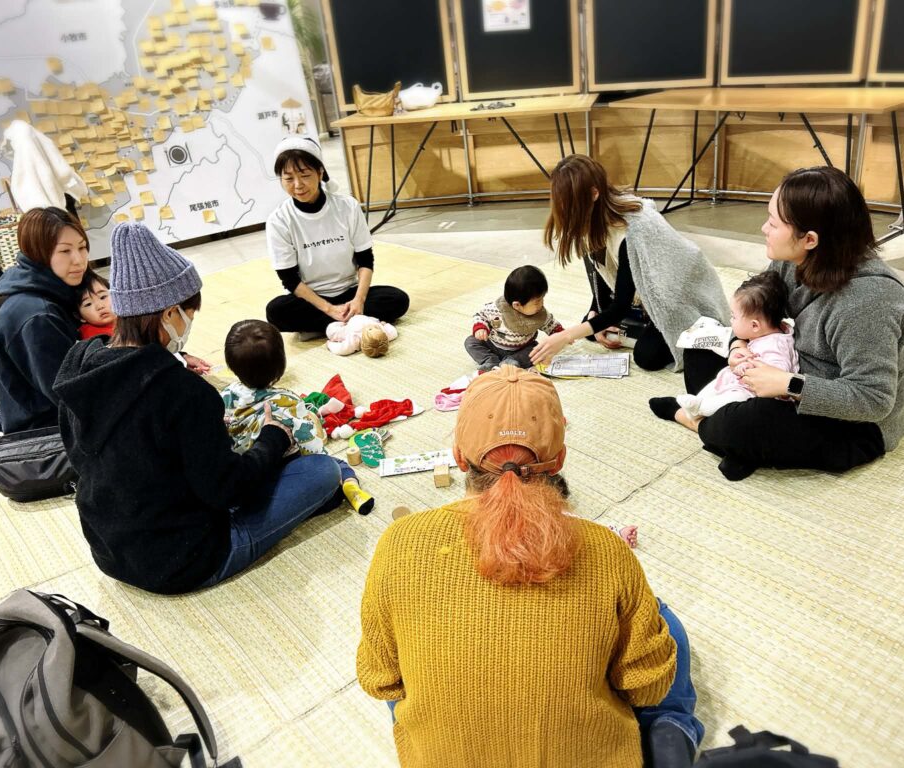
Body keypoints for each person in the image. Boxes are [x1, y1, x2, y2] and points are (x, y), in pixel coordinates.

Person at [357, 366, 704, 768]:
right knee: (660, 616)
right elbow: (646, 687)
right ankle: (670, 729)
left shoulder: (399, 541)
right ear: (559, 460)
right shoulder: (608, 550)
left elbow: (380, 680)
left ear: (458, 456)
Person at [53, 223, 348, 594]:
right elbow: (228, 492)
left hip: (111, 551)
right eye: (189, 313)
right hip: (188, 559)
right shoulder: (183, 391)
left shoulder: (81, 366)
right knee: (323, 471)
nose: (190, 322)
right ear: (169, 313)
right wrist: (273, 438)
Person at [675, 167, 904, 481]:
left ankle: (706, 426)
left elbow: (874, 400)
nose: (764, 228)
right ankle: (734, 440)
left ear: (810, 239)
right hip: (790, 369)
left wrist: (788, 384)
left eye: (773, 223)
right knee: (699, 347)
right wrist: (738, 346)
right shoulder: (791, 260)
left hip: (855, 424)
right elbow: (756, 312)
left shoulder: (870, 301)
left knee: (746, 424)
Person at [531, 154, 728, 371]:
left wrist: (565, 336)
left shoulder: (633, 231)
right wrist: (596, 314)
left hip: (681, 301)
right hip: (639, 298)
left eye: (569, 203)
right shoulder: (591, 224)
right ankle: (633, 328)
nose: (563, 210)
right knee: (591, 327)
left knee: (647, 356)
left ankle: (646, 329)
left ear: (594, 194)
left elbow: (621, 305)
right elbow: (602, 281)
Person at [221, 319, 374, 515]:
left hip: (247, 472)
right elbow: (312, 448)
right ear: (280, 365)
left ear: (231, 365)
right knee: (336, 466)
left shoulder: (225, 396)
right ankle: (349, 486)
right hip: (281, 469)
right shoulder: (288, 403)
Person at [263, 136, 409, 340]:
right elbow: (289, 279)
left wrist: (359, 300)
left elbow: (365, 260)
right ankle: (353, 321)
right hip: (311, 299)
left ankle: (331, 324)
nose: (297, 185)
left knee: (397, 299)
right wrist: (329, 309)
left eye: (305, 175)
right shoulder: (278, 220)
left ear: (320, 172)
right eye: (288, 179)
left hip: (350, 292)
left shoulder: (348, 207)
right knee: (276, 311)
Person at [656, 271, 798, 430]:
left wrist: (748, 367)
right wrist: (737, 347)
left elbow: (778, 372)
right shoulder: (768, 330)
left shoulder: (776, 345)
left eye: (733, 317)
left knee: (734, 398)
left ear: (754, 325)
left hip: (753, 392)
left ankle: (699, 413)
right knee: (715, 382)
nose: (731, 320)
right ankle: (696, 406)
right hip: (737, 378)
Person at [0, 207, 87, 433]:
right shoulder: (39, 317)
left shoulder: (52, 295)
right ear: (38, 253)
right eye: (65, 251)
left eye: (82, 248)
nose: (78, 260)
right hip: (48, 437)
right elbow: (73, 399)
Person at [466, 265, 564, 371]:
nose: (542, 304)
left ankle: (510, 362)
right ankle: (490, 361)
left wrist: (561, 334)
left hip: (521, 350)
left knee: (536, 350)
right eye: (537, 302)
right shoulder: (497, 309)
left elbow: (551, 324)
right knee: (470, 342)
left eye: (542, 299)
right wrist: (480, 328)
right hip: (494, 345)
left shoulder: (539, 314)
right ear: (517, 305)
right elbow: (480, 315)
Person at [76, 271, 116, 339]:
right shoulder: (95, 336)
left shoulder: (126, 317)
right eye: (88, 304)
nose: (100, 306)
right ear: (80, 317)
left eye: (103, 297)